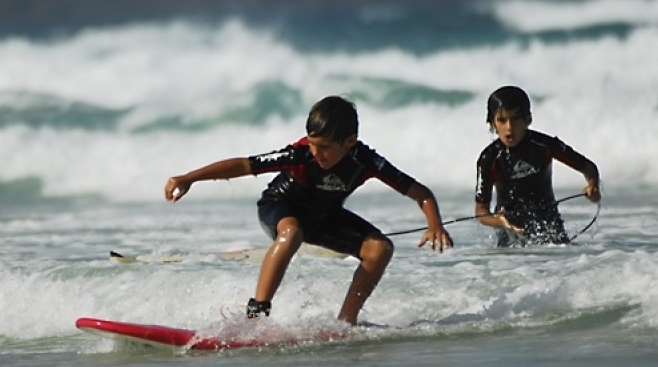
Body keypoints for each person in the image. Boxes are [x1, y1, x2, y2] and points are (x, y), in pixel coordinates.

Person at [164, 95, 453, 325]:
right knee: (291, 233)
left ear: (349, 141)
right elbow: (244, 165)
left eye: (325, 147)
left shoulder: (366, 161)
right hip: (280, 206)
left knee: (380, 248)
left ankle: (346, 323)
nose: (316, 153)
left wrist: (435, 224)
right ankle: (256, 315)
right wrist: (190, 178)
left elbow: (419, 192)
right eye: (313, 144)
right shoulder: (300, 153)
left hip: (324, 218)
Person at [475, 86, 601, 246]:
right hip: (510, 238)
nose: (509, 127)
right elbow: (481, 212)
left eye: (515, 119)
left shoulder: (544, 145)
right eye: (502, 120)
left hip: (551, 232)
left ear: (528, 119)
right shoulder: (489, 158)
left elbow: (589, 168)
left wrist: (593, 186)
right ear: (492, 123)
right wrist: (500, 222)